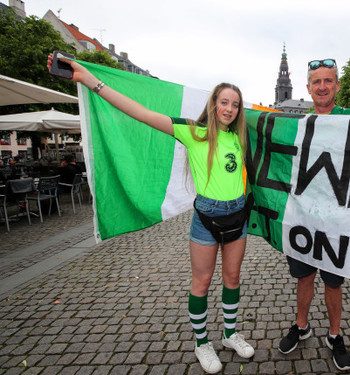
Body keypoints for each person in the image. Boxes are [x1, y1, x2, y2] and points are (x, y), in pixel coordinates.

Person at [47, 55, 254, 374]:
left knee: (232, 279)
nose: (229, 109)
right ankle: (202, 343)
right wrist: (90, 80)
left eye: (235, 104)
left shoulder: (241, 137)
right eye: (224, 102)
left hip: (237, 218)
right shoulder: (193, 131)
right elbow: (141, 113)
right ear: (213, 104)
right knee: (201, 282)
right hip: (206, 220)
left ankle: (229, 335)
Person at [278, 58, 350, 371]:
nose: (322, 87)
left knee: (333, 282)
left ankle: (335, 335)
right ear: (307, 88)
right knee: (304, 278)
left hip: (337, 220)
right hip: (304, 217)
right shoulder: (298, 123)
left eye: (328, 81)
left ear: (337, 85)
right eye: (316, 82)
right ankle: (301, 326)